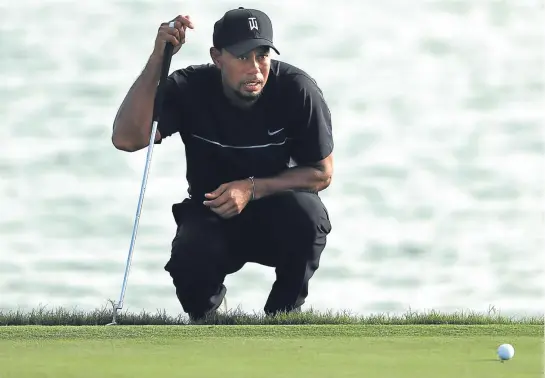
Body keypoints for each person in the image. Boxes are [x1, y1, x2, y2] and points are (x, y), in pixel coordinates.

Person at [111, 7, 334, 322]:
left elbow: (322, 173)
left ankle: (282, 318)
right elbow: (127, 138)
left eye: (262, 55)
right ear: (217, 57)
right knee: (190, 257)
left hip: (277, 211)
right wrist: (159, 59)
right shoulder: (189, 87)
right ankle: (212, 319)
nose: (255, 69)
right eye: (243, 57)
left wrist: (251, 188)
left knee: (311, 218)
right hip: (211, 213)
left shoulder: (297, 89)